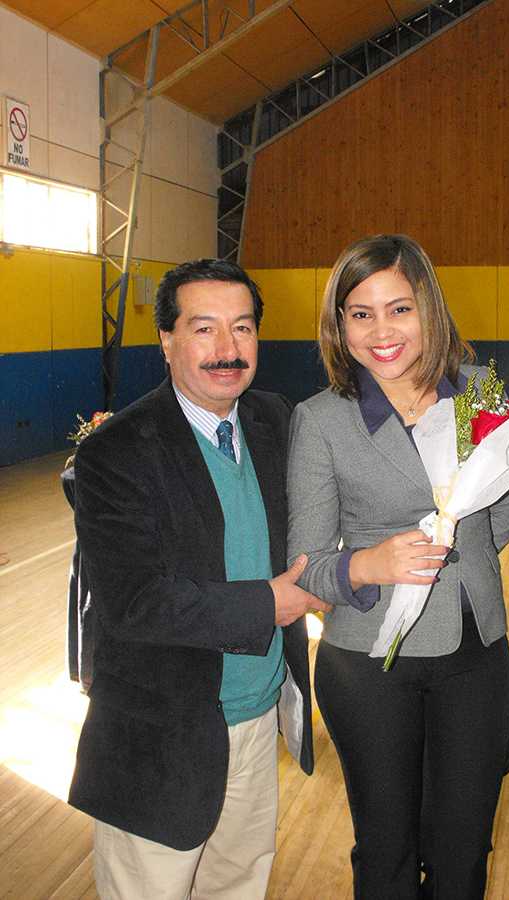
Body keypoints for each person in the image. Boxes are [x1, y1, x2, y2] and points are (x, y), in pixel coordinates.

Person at [68, 258, 330, 900]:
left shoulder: (274, 420)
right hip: (160, 733)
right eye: (204, 328)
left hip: (257, 715)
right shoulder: (115, 451)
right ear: (167, 340)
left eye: (243, 328)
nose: (227, 349)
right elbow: (134, 602)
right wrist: (269, 604)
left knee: (238, 885)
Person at [287, 234, 509, 899]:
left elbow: (503, 512)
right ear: (339, 325)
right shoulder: (321, 420)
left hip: (475, 656)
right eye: (360, 314)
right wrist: (368, 563)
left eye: (399, 309)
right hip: (368, 667)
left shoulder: (479, 394)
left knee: (463, 853)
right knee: (386, 853)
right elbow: (307, 566)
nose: (381, 331)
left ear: (429, 308)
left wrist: (457, 565)